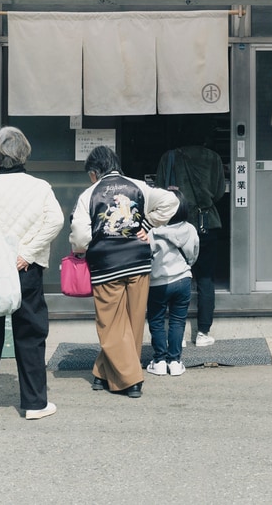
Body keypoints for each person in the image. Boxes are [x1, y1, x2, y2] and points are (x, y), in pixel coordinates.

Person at [0, 126, 64, 423]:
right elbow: (55, 220)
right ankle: (34, 404)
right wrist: (28, 253)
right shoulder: (40, 186)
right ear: (25, 153)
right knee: (30, 334)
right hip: (25, 269)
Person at [71, 145, 179, 398]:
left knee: (110, 324)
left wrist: (79, 250)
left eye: (90, 174)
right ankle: (102, 372)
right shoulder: (138, 186)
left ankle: (131, 380)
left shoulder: (89, 194)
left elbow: (80, 235)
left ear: (95, 172)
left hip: (106, 265)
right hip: (138, 262)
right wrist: (147, 223)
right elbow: (171, 201)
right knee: (131, 321)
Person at [155, 141, 226, 346]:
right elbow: (220, 191)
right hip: (206, 224)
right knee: (205, 278)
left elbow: (160, 191)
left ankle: (177, 333)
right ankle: (203, 332)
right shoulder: (213, 157)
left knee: (174, 275)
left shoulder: (169, 156)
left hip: (176, 226)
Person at [145, 189, 199, 377]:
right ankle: (175, 362)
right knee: (178, 321)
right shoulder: (190, 229)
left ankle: (159, 361)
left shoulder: (152, 231)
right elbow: (193, 255)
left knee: (157, 320)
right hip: (183, 279)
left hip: (157, 283)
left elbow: (146, 257)